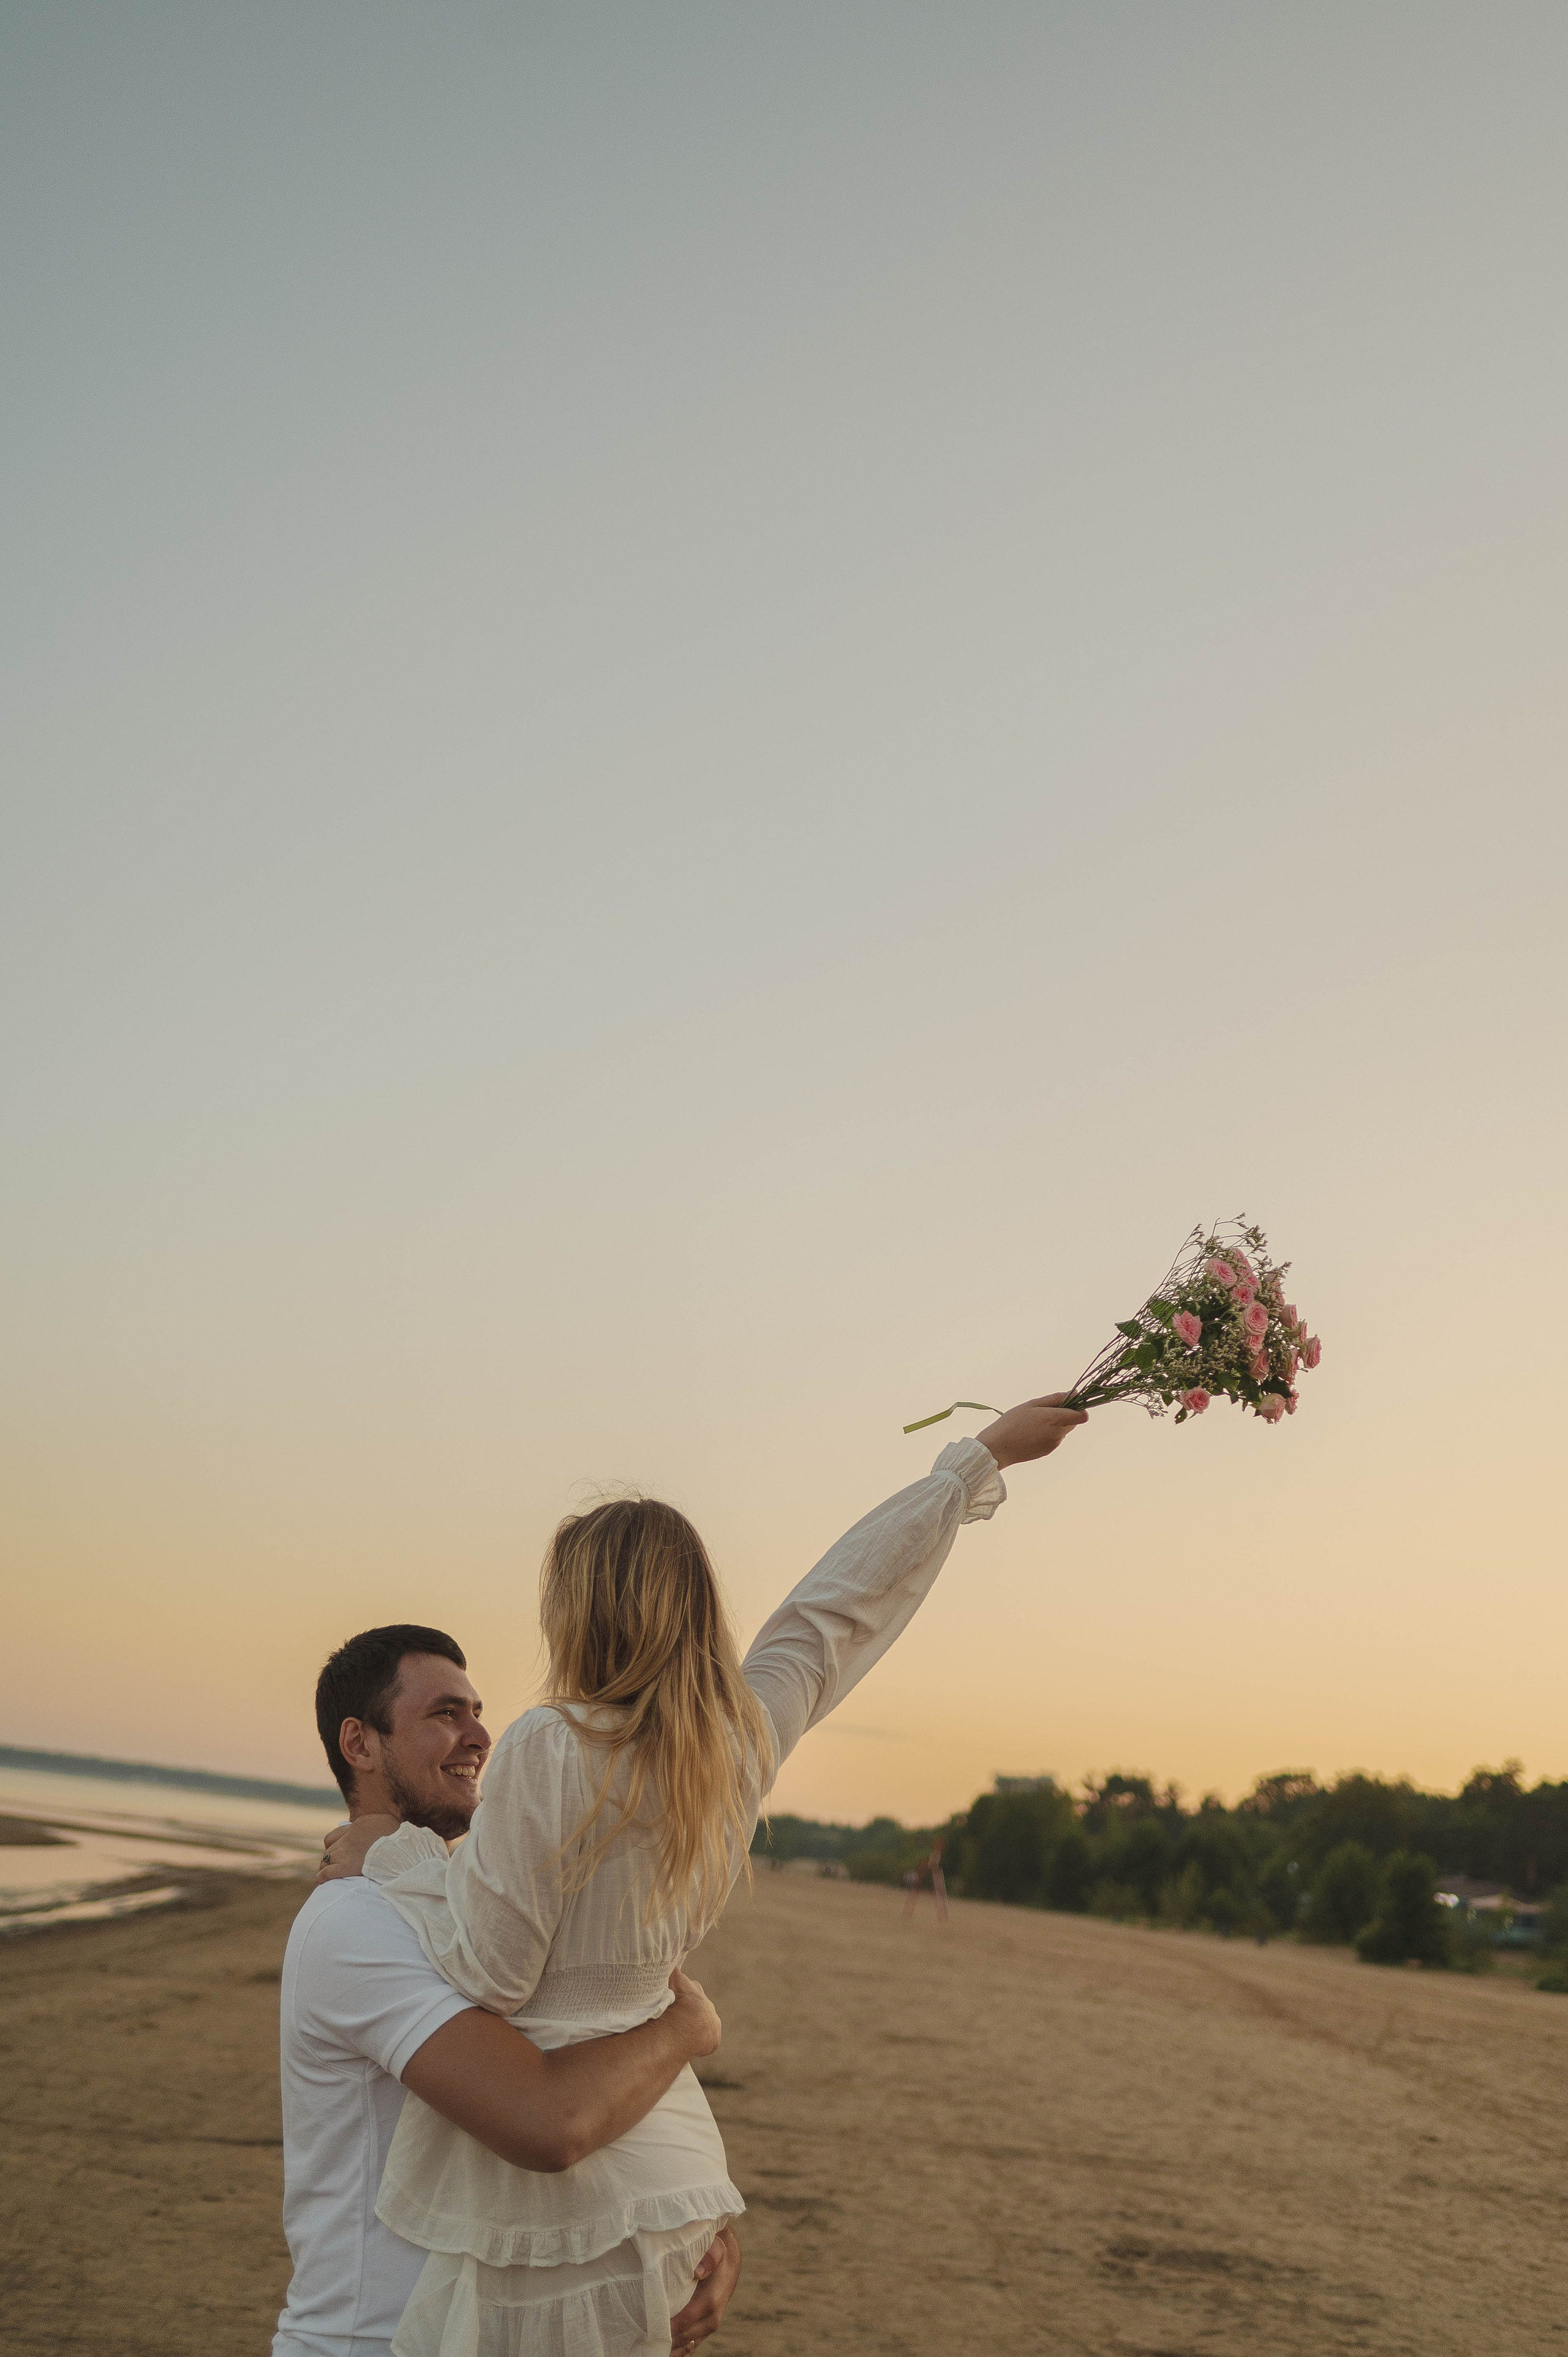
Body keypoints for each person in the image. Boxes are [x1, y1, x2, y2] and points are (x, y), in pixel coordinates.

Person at [325, 1395, 1087, 2357]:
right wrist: (969, 1468)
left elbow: (492, 1976)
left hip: (564, 2212)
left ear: (579, 1610)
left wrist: (397, 1858)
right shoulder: (736, 1743)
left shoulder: (551, 1745)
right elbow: (834, 1611)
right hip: (674, 2184)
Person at [275, 1624, 741, 2357]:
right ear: (359, 1744)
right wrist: (689, 2027)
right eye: (444, 1713)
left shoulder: (480, 1918)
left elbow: (604, 2077)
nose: (479, 1734)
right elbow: (550, 2118)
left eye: (477, 1710)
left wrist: (700, 2230)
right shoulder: (356, 1920)